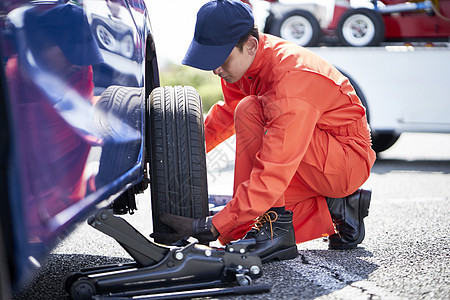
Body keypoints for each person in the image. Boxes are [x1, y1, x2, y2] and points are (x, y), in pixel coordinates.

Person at [159, 0, 376, 262]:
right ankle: (338, 207)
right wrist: (176, 155)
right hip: (315, 157)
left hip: (346, 161)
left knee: (251, 113)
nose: (216, 69)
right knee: (243, 220)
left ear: (250, 44)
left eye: (221, 59)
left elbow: (274, 167)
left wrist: (213, 225)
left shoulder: (291, 80)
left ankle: (277, 229)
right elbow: (226, 115)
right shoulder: (246, 65)